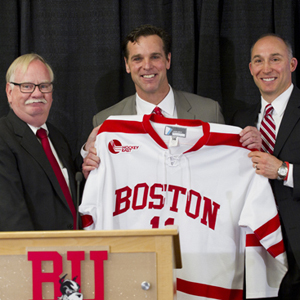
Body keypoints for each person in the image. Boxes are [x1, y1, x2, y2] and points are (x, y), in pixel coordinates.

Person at [82, 24, 261, 176]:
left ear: (168, 60)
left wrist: (248, 148)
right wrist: (87, 157)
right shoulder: (106, 122)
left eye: (155, 57)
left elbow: (226, 171)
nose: (147, 66)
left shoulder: (209, 112)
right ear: (127, 65)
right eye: (137, 59)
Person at [231, 33, 300, 299]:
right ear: (251, 69)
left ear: (292, 64)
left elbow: (276, 168)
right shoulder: (241, 119)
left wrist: (284, 170)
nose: (266, 68)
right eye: (258, 61)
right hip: (254, 250)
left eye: (275, 59)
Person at [0, 53, 79, 231]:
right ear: (9, 92)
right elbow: (10, 217)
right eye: (27, 86)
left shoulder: (58, 138)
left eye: (44, 86)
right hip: (36, 256)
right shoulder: (3, 137)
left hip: (74, 253)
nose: (37, 93)